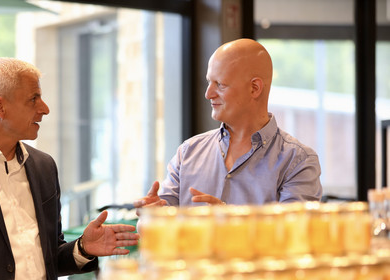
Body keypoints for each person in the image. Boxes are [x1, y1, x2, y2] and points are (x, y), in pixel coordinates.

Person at [0, 57, 139, 280]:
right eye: (34, 99)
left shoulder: (44, 166)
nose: (45, 109)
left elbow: (48, 259)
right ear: (0, 107)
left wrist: (83, 248)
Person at [135, 38, 322, 209]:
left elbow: (293, 237)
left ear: (254, 88)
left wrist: (231, 224)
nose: (208, 94)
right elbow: (160, 228)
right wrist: (151, 217)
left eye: (220, 84)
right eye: (209, 82)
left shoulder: (297, 161)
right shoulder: (187, 152)